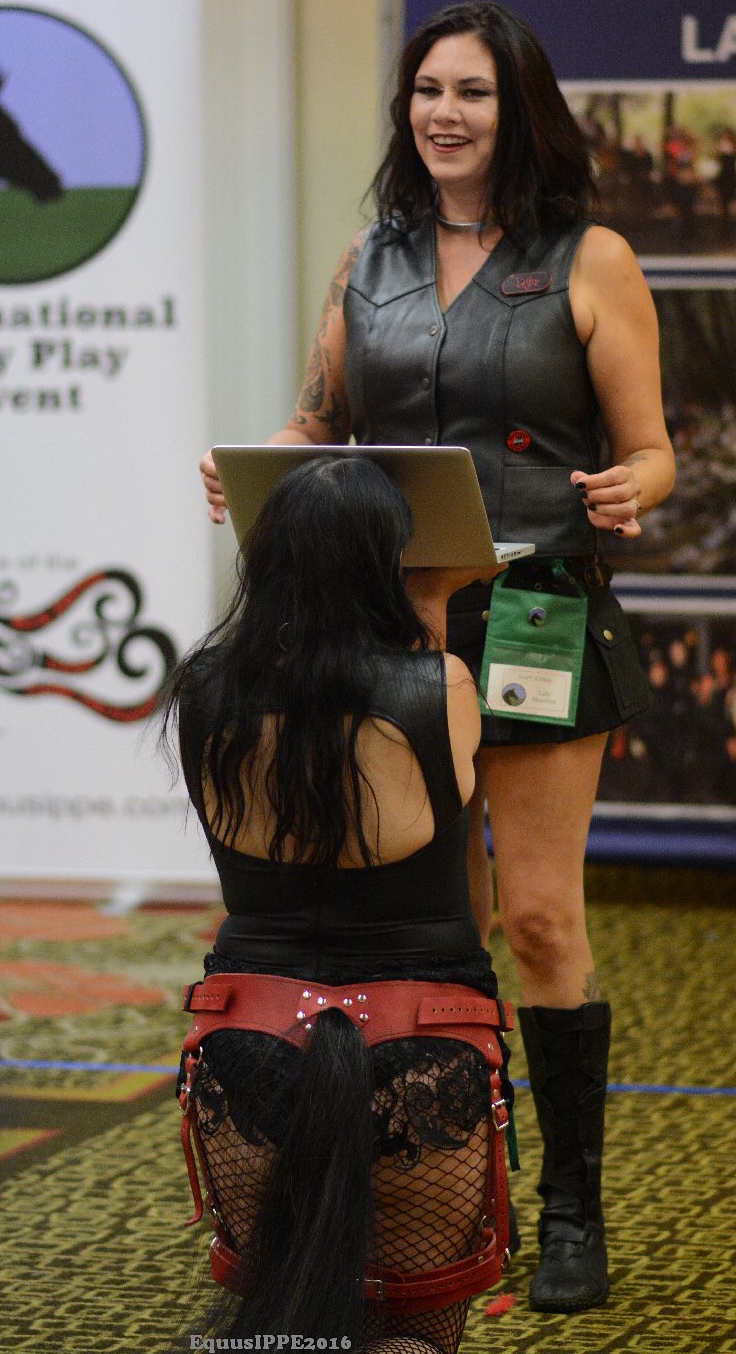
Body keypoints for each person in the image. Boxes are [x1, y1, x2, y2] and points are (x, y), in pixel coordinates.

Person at [200, 0, 675, 1314]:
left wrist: (630, 488)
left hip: (537, 617)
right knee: (426, 927)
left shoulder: (592, 259)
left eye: (472, 92)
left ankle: (569, 1210)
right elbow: (319, 420)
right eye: (427, 90)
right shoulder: (371, 258)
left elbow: (652, 449)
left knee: (537, 918)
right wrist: (254, 464)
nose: (443, 114)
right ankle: (449, 1193)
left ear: (519, 112)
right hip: (385, 627)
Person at [164, 454, 514, 1352]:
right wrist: (430, 597)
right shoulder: (443, 686)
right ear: (383, 567)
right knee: (415, 1335)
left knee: (286, 1332)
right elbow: (439, 764)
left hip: (248, 1052)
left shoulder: (202, 691)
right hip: (419, 1057)